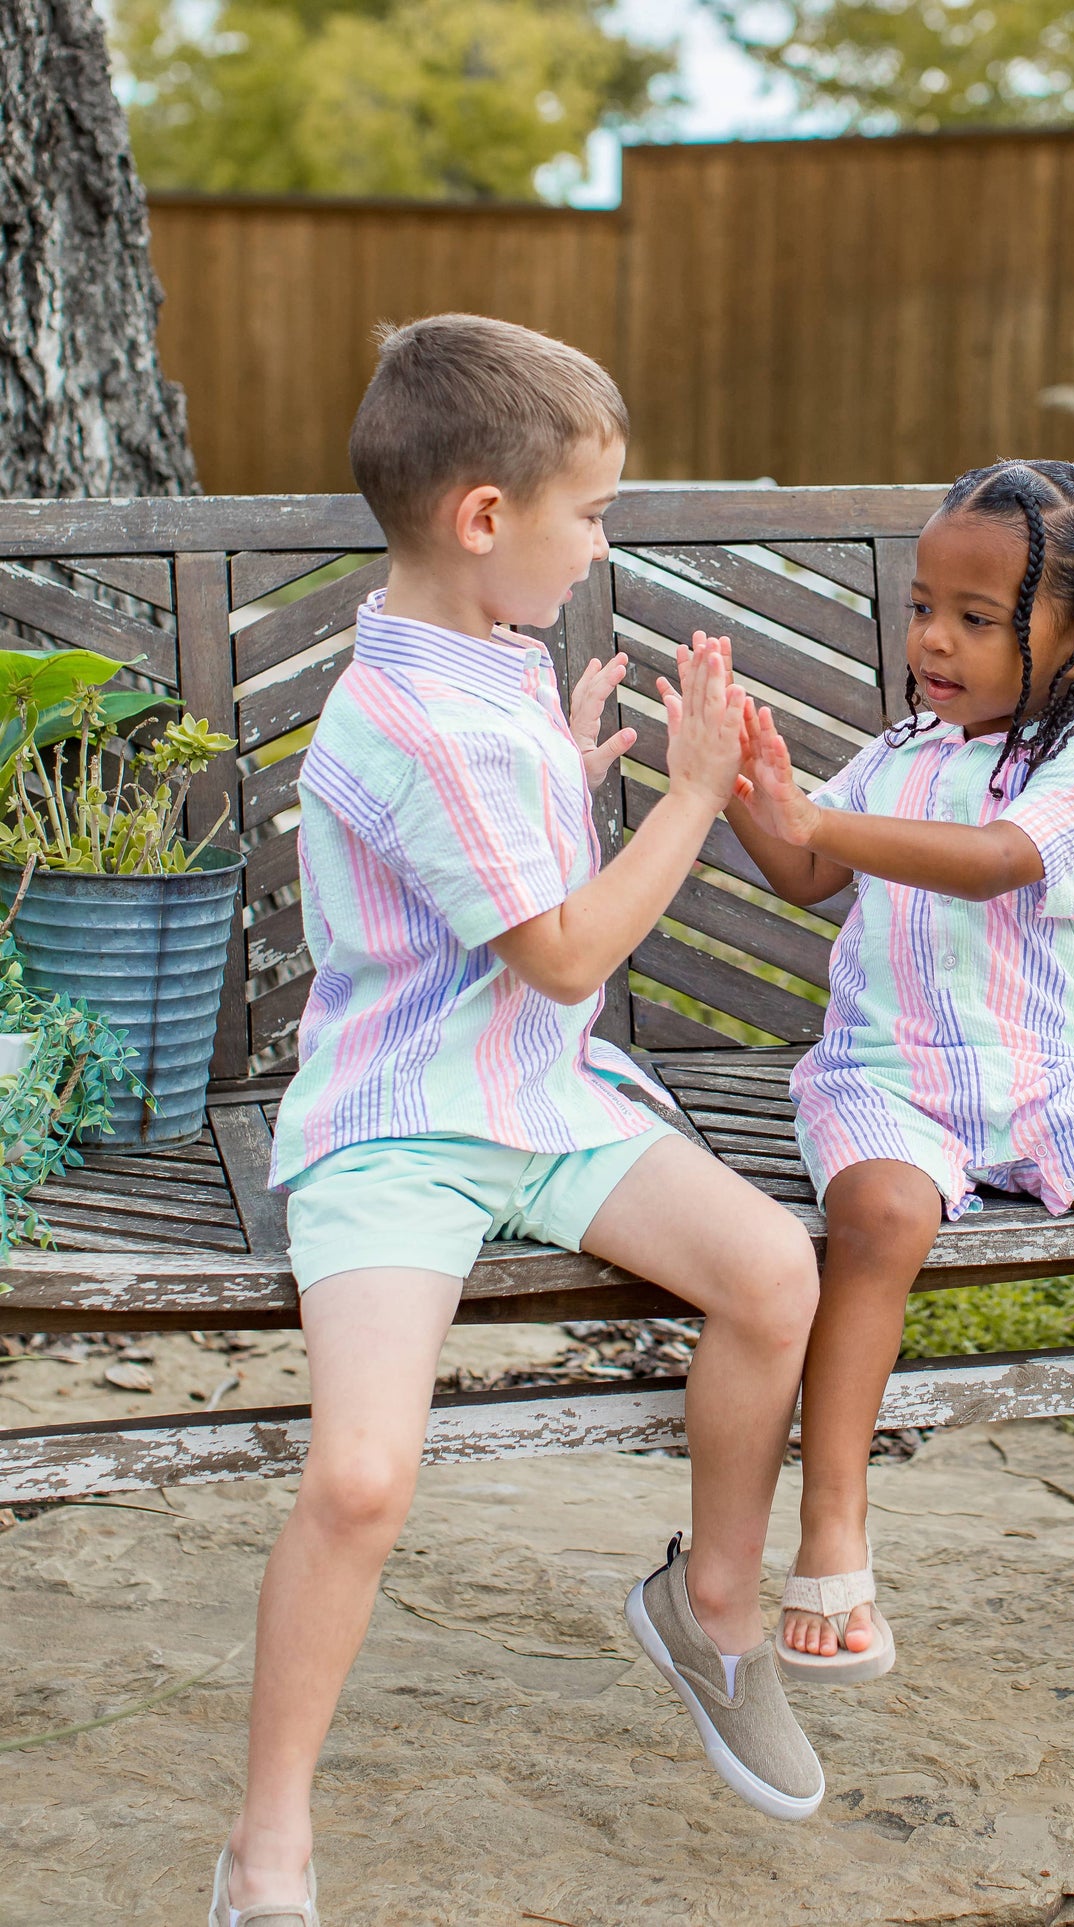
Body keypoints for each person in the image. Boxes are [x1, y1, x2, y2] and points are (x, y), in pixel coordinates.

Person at [212, 315, 824, 1927]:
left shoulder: (487, 655)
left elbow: (500, 881)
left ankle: (709, 1605)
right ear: (486, 518)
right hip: (403, 1124)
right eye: (596, 512)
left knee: (772, 1273)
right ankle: (268, 1841)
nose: (606, 540)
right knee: (359, 1475)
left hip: (539, 1101)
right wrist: (689, 790)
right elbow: (561, 950)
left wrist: (561, 772)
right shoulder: (409, 713)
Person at [721, 457, 1074, 1693]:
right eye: (923, 604)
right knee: (875, 1220)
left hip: (1046, 1081)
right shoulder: (897, 750)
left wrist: (816, 820)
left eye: (975, 619)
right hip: (886, 1077)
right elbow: (809, 876)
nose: (932, 636)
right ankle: (833, 1526)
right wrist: (749, 788)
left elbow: (986, 861)